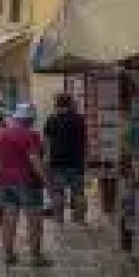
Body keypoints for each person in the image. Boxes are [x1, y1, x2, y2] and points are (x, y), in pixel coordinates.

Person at [0, 103, 52, 267]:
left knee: (9, 217)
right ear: (30, 119)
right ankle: (35, 256)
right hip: (27, 181)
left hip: (5, 180)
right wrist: (47, 182)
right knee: (34, 219)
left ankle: (8, 254)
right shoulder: (30, 135)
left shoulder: (3, 134)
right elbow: (34, 160)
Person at [43, 92, 88, 224]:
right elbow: (84, 141)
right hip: (76, 161)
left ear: (57, 104)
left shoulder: (51, 120)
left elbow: (47, 143)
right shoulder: (79, 119)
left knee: (58, 192)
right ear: (70, 104)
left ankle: (59, 219)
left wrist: (47, 159)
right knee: (78, 193)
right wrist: (85, 159)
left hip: (57, 162)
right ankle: (80, 219)